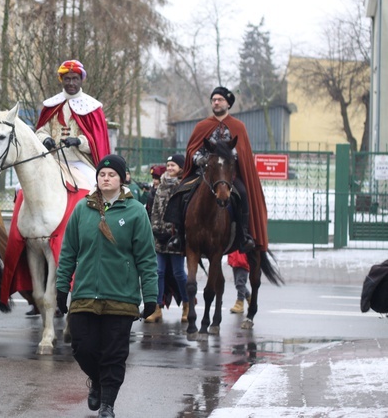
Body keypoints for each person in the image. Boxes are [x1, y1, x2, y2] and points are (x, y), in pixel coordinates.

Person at [56, 154, 158, 418]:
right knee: (82, 347)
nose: (106, 178)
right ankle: (97, 379)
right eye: (102, 174)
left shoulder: (136, 212)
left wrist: (150, 296)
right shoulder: (82, 209)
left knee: (114, 353)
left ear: (122, 179)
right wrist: (61, 287)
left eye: (112, 174)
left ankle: (108, 404)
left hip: (121, 296)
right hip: (85, 293)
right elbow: (68, 251)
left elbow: (146, 257)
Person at [167, 86, 268, 254]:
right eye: (213, 100)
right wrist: (202, 160)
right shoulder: (202, 126)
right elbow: (193, 150)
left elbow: (242, 152)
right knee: (181, 190)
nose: (216, 102)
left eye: (220, 100)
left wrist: (229, 157)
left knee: (243, 192)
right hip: (204, 173)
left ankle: (244, 235)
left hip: (228, 174)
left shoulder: (238, 127)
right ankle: (178, 235)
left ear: (228, 104)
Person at [36, 59, 111, 185]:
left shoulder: (93, 108)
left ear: (81, 80)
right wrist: (45, 139)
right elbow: (40, 132)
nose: (71, 83)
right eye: (67, 79)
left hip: (80, 162)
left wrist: (79, 141)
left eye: (75, 79)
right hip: (52, 160)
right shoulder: (51, 105)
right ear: (62, 80)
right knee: (21, 187)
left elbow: (98, 141)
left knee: (97, 185)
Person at [145, 154, 189, 324]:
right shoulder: (160, 186)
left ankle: (187, 304)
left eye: (173, 165)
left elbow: (184, 214)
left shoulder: (183, 186)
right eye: (168, 165)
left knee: (179, 273)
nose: (170, 168)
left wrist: (175, 233)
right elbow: (155, 210)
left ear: (181, 168)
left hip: (175, 239)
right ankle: (157, 308)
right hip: (159, 238)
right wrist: (155, 231)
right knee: (158, 272)